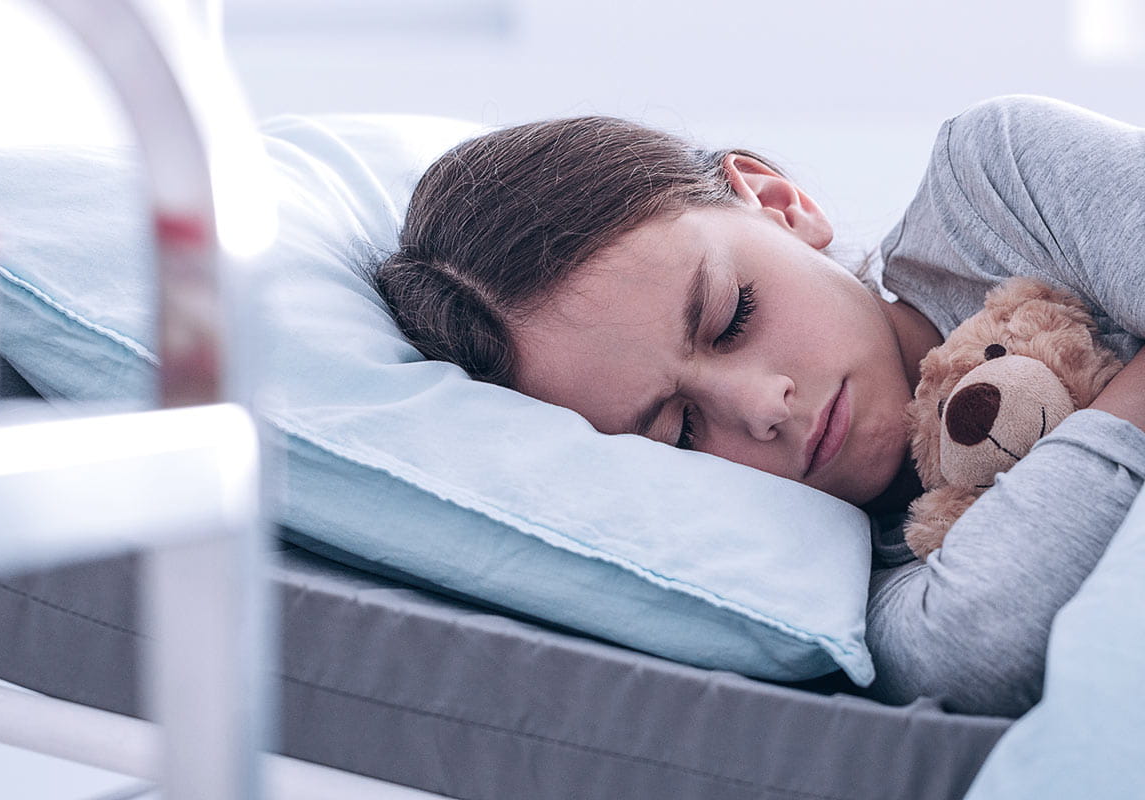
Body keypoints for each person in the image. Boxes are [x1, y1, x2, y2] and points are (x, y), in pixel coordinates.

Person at [372, 95, 1145, 717]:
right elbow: (979, 651)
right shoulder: (842, 577)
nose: (762, 407)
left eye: (732, 315)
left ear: (779, 203)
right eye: (678, 434)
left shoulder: (995, 190)